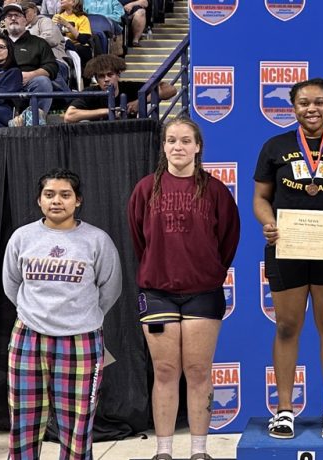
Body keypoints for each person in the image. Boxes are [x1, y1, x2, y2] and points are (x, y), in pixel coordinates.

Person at [253, 77, 323, 440]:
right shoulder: (275, 146)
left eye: (319, 102)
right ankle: (284, 410)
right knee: (287, 326)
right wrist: (268, 223)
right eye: (303, 103)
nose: (311, 109)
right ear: (293, 107)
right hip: (287, 247)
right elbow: (260, 198)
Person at [128, 118, 240, 460]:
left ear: (198, 147)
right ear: (163, 146)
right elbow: (139, 240)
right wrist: (160, 267)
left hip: (202, 292)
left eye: (186, 140)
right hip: (158, 292)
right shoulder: (145, 189)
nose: (178, 146)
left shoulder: (215, 191)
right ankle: (163, 451)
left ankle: (199, 451)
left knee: (198, 371)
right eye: (172, 140)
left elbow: (228, 240)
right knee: (164, 371)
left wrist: (206, 272)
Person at [2, 168, 122, 460]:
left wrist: (82, 316)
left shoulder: (97, 240)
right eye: (49, 194)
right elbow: (11, 284)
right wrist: (35, 314)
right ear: (39, 200)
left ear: (78, 200)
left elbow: (111, 288)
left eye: (65, 195)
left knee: (77, 424)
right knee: (24, 421)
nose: (57, 201)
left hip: (81, 339)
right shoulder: (22, 238)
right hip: (28, 337)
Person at [64, 54, 176, 123]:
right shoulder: (90, 93)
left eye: (110, 75)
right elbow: (69, 116)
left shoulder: (130, 88)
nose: (106, 79)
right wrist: (109, 111)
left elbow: (170, 90)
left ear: (118, 75)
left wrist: (139, 101)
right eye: (101, 76)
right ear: (97, 79)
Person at [52, 0, 92, 69]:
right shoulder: (57, 16)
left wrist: (67, 24)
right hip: (61, 45)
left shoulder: (82, 18)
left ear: (73, 2)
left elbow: (83, 40)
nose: (61, 0)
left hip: (77, 46)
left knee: (82, 50)